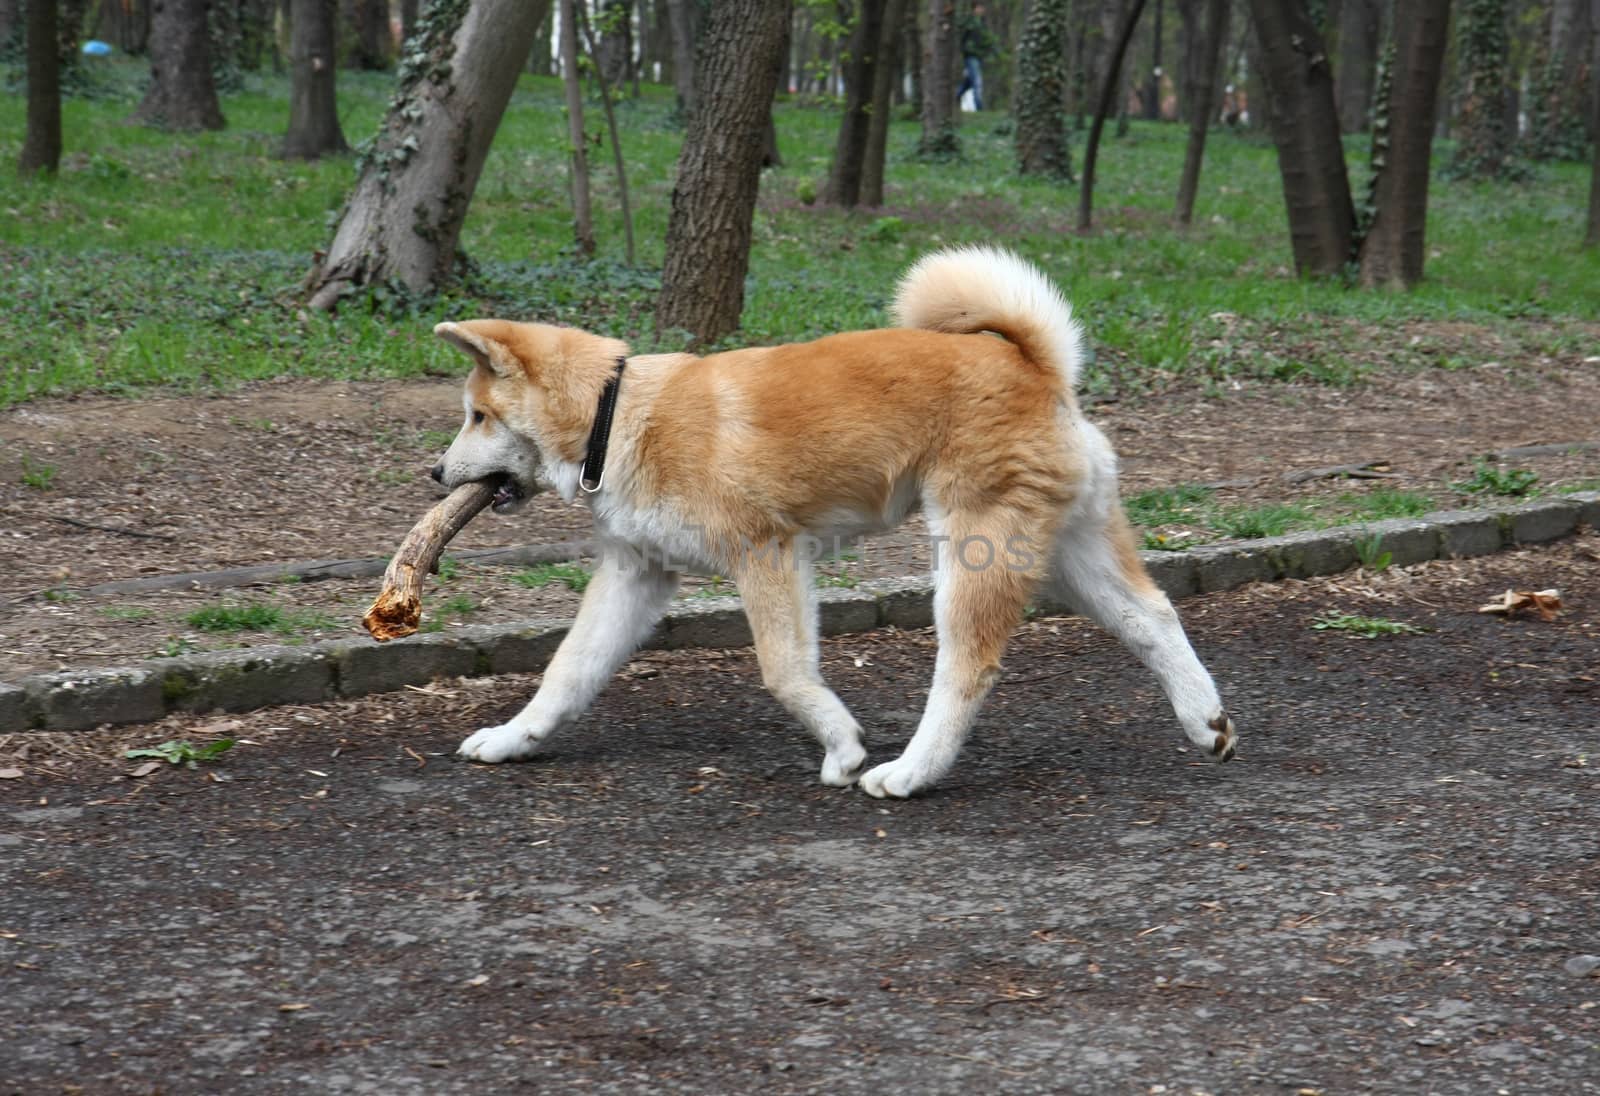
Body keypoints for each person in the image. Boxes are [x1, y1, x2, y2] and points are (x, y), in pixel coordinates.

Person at [957, 3, 997, 112]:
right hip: (970, 55)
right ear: (974, 9)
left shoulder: (982, 23)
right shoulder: (969, 21)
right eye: (979, 7)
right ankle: (979, 107)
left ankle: (955, 97)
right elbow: (961, 36)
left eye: (982, 7)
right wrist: (964, 50)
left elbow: (986, 40)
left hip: (979, 56)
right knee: (977, 81)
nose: (981, 10)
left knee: (968, 83)